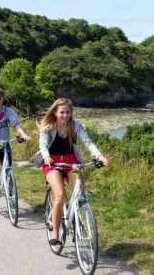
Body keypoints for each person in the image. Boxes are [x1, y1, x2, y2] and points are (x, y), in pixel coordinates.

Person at [38, 98, 109, 246]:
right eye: (62, 112)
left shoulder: (75, 126)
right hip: (52, 163)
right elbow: (43, 145)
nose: (65, 115)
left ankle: (75, 219)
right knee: (60, 195)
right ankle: (55, 233)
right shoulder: (48, 126)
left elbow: (88, 142)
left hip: (72, 163)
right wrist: (46, 157)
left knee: (79, 193)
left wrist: (99, 155)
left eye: (68, 112)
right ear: (55, 113)